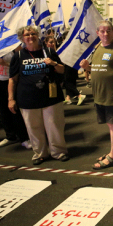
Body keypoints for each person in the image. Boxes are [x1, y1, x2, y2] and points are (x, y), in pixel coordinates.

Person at [9, 25, 68, 165]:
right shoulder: (18, 56)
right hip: (27, 99)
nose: (30, 37)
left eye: (33, 33)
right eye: (27, 34)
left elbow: (62, 70)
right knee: (33, 128)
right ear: (22, 38)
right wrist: (10, 99)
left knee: (54, 126)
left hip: (51, 97)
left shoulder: (48, 51)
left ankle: (59, 152)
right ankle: (40, 153)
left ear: (38, 35)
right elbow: (12, 79)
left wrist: (53, 63)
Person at [79, 21, 113, 169]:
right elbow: (98, 69)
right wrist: (87, 67)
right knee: (110, 125)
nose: (105, 33)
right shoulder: (98, 48)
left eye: (108, 30)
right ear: (97, 33)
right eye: (102, 31)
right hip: (100, 95)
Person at [0, 46, 30, 149]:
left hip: (11, 81)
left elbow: (21, 64)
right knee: (2, 110)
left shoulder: (15, 47)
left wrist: (6, 64)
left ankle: (24, 137)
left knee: (15, 110)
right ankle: (10, 135)